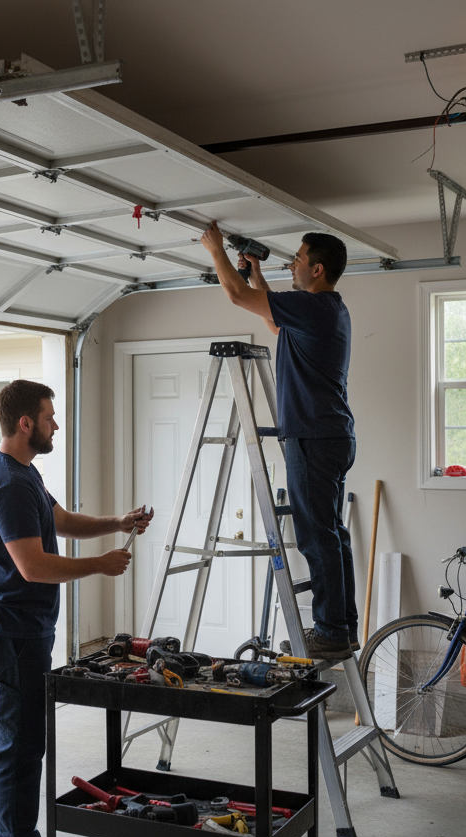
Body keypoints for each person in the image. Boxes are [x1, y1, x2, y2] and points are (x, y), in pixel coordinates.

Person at [0, 379, 153, 837]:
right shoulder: (8, 484)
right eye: (50, 416)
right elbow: (34, 566)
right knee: (21, 745)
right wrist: (99, 565)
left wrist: (118, 523)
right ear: (25, 422)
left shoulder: (22, 472)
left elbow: (62, 521)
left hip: (9, 626)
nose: (55, 425)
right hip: (11, 632)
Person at [199, 221, 357, 660]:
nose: (293, 264)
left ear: (318, 269)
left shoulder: (315, 307)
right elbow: (274, 322)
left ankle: (330, 630)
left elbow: (235, 297)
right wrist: (257, 276)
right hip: (331, 435)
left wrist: (216, 250)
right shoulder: (327, 309)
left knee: (315, 536)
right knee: (332, 534)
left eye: (299, 260)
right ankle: (344, 627)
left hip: (312, 436)